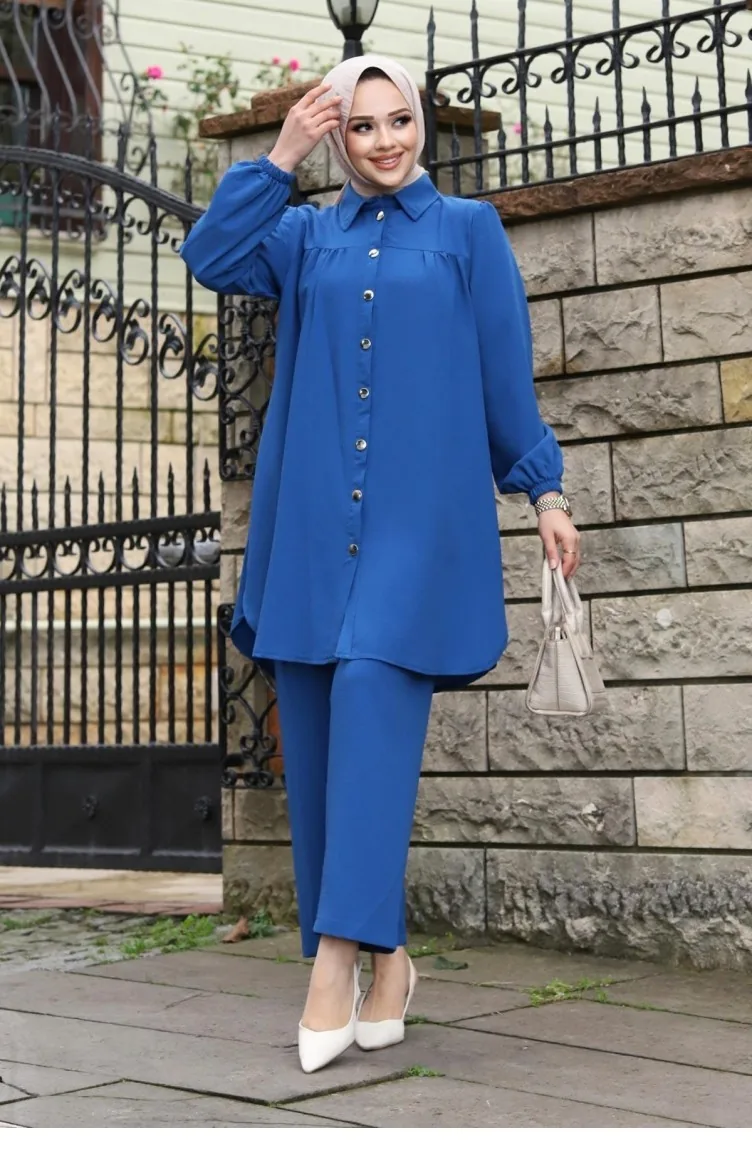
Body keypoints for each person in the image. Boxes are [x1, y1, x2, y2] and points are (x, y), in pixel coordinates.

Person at [181, 55, 580, 1074]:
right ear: (341, 138)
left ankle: (332, 965)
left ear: (421, 126)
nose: (385, 141)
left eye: (398, 120)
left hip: (416, 526)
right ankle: (391, 963)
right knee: (317, 746)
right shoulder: (303, 236)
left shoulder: (468, 232)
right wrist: (281, 154)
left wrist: (543, 490)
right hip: (312, 528)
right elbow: (210, 253)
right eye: (361, 126)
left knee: (368, 686)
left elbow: (503, 376)